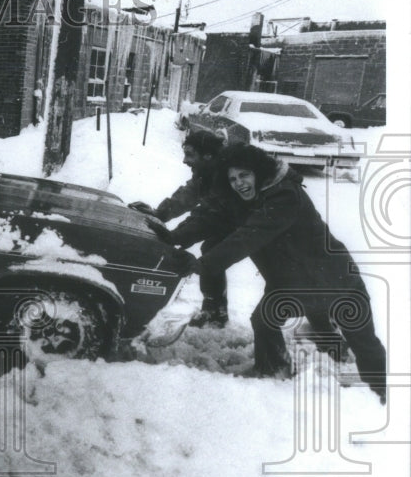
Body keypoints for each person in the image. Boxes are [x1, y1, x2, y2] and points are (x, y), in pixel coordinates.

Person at [164, 143, 387, 404]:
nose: (239, 183)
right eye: (233, 179)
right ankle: (275, 372)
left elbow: (248, 238)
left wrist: (202, 265)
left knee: (363, 341)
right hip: (292, 282)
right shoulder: (245, 201)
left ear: (259, 172)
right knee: (266, 319)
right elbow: (211, 219)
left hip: (336, 280)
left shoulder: (285, 197)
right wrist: (170, 236)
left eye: (244, 175)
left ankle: (381, 396)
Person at [130, 129, 231, 328]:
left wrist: (176, 236)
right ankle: (214, 310)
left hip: (266, 227)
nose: (185, 161)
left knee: (213, 252)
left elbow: (208, 217)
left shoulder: (226, 177)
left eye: (190, 155)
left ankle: (216, 311)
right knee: (211, 249)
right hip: (232, 220)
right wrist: (159, 214)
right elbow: (187, 196)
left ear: (208, 155)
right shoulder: (206, 171)